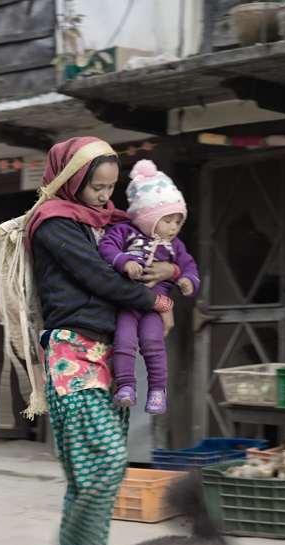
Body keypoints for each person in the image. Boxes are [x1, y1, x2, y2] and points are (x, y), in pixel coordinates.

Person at [25, 137, 176, 545]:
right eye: (97, 187)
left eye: (111, 187)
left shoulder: (112, 223)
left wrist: (170, 269)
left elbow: (155, 253)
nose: (105, 196)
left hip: (115, 354)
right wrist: (158, 302)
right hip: (72, 352)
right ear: (72, 180)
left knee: (92, 474)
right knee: (106, 462)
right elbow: (99, 277)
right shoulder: (53, 222)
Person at [98, 159, 200, 414]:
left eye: (178, 221)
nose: (174, 227)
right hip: (128, 304)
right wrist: (124, 261)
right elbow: (106, 247)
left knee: (152, 344)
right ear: (147, 217)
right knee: (123, 342)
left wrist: (186, 280)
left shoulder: (174, 246)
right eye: (168, 220)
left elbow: (189, 267)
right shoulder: (125, 232)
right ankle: (126, 387)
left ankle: (157, 391)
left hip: (155, 308)